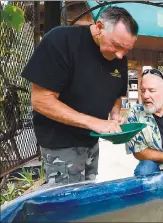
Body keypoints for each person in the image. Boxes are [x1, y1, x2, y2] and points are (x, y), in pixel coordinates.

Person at [20, 7, 138, 186]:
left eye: (126, 50)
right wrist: (95, 122)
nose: (120, 54)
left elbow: (117, 95)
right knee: (66, 203)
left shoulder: (119, 59)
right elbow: (41, 101)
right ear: (99, 27)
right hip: (61, 143)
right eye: (117, 45)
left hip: (91, 142)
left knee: (86, 196)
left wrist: (115, 114)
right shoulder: (61, 41)